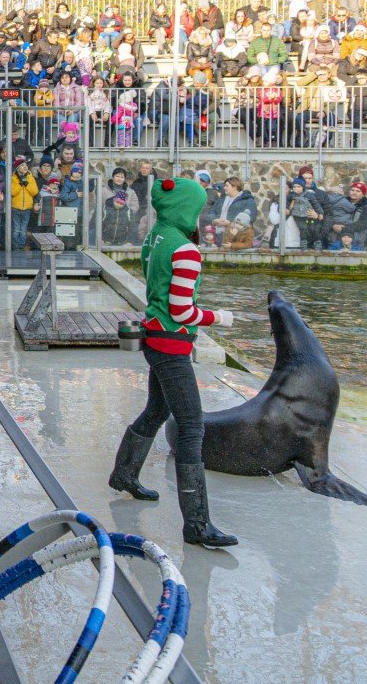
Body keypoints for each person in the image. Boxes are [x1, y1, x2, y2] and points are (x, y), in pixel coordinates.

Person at [108, 176, 237, 549]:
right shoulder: (186, 250)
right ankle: (196, 524)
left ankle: (124, 474)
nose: (200, 215)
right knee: (192, 427)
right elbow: (182, 310)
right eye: (198, 209)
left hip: (152, 335)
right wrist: (219, 318)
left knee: (156, 410)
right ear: (186, 209)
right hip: (172, 344)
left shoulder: (157, 237)